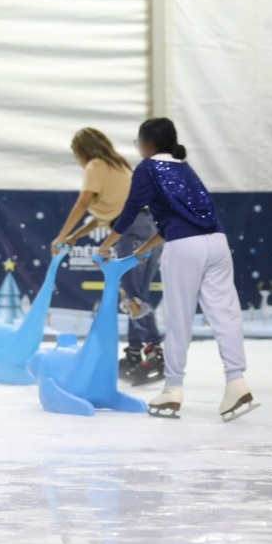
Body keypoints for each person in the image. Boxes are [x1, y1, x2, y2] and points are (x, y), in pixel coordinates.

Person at [97, 118, 257, 422]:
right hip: (217, 242)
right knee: (226, 314)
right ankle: (237, 382)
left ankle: (172, 389)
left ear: (147, 144)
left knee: (179, 319)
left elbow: (130, 211)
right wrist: (144, 249)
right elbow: (182, 217)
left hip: (185, 247)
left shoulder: (148, 167)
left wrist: (105, 246)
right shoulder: (184, 167)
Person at [51, 128, 164, 383]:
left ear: (83, 151)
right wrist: (75, 236)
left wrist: (62, 235)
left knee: (133, 297)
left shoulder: (95, 165)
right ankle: (135, 352)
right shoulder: (118, 165)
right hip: (150, 229)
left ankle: (155, 351)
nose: (78, 163)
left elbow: (84, 202)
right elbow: (105, 215)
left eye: (76, 156)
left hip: (130, 231)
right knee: (138, 295)